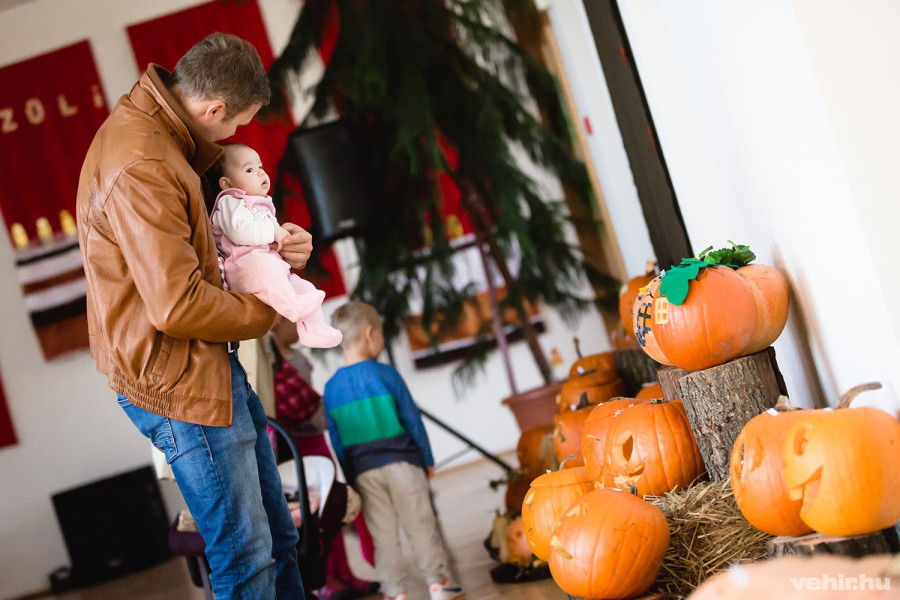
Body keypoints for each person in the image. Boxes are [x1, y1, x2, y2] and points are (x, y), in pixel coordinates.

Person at [76, 32, 310, 600]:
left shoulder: (164, 133)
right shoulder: (143, 162)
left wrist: (277, 251)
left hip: (206, 367)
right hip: (179, 383)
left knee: (278, 541)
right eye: (235, 125)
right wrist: (271, 304)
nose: (233, 138)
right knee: (246, 560)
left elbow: (208, 248)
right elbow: (176, 303)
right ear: (212, 109)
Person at [323, 301, 465, 600]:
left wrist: (351, 477)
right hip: (404, 464)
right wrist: (426, 458)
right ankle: (437, 584)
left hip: (364, 473)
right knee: (420, 525)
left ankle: (395, 591)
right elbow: (412, 420)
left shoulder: (332, 388)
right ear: (370, 333)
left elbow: (337, 441)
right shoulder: (387, 375)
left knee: (382, 534)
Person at [267, 315, 379, 600]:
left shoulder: (294, 357)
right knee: (311, 516)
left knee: (333, 509)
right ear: (279, 320)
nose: (302, 323)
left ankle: (346, 573)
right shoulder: (268, 359)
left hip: (315, 439)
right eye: (296, 319)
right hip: (292, 445)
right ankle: (324, 579)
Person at [208, 143, 342, 348]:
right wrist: (273, 233)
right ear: (226, 184)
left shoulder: (260, 203)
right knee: (276, 278)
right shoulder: (229, 202)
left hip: (267, 264)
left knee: (303, 286)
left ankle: (315, 330)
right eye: (250, 170)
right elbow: (239, 230)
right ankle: (295, 308)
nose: (260, 173)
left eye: (260, 166)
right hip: (245, 266)